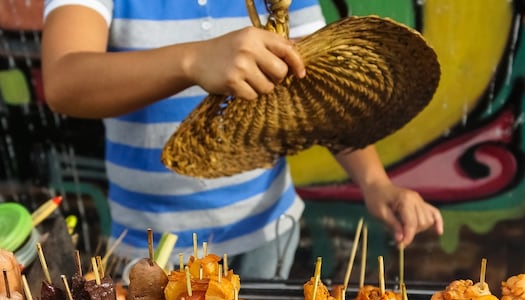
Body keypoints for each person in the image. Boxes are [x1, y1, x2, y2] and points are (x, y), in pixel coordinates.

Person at [40, 0, 444, 278]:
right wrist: (193, 61)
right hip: (151, 249)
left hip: (267, 234)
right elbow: (64, 80)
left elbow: (324, 92)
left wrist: (376, 183)